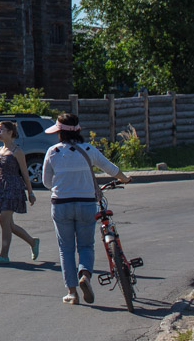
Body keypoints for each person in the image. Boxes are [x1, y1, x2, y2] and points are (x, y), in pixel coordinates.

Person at [42, 112, 132, 305]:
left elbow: (47, 182)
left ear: (59, 133)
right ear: (79, 130)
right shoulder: (88, 149)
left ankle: (72, 292)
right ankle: (85, 275)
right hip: (86, 204)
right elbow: (110, 168)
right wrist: (124, 179)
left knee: (65, 248)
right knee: (85, 245)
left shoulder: (53, 152)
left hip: (61, 205)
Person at [0, 120, 39, 263]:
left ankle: (4, 255)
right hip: (2, 188)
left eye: (1, 130)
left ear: (10, 132)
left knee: (4, 219)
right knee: (8, 224)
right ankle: (32, 242)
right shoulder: (0, 150)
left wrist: (30, 193)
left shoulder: (17, 151)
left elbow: (24, 173)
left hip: (14, 187)